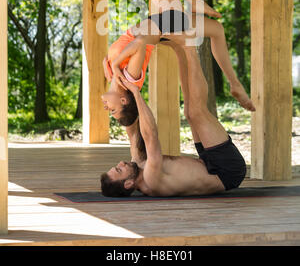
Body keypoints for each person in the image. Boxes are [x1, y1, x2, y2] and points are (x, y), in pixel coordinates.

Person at [101, 0, 255, 127]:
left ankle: (235, 85)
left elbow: (116, 52)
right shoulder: (129, 79)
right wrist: (114, 64)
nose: (108, 109)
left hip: (163, 26)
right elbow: (140, 43)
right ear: (123, 100)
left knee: (217, 30)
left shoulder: (115, 78)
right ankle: (194, 2)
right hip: (169, 22)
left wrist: (107, 63)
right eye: (113, 111)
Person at [100, 46, 247, 197]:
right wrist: (136, 93)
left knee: (190, 112)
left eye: (116, 166)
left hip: (207, 163)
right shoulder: (151, 180)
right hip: (226, 172)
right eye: (119, 170)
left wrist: (115, 85)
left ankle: (181, 50)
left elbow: (131, 128)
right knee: (197, 112)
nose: (121, 163)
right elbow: (150, 136)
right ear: (128, 183)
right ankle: (189, 45)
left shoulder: (138, 164)